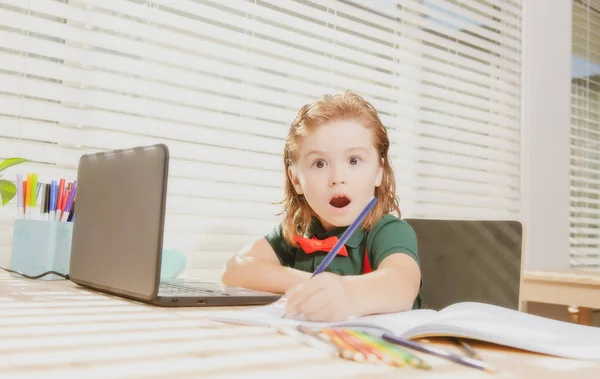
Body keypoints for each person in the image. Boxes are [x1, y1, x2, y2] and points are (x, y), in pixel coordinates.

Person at [221, 91, 421, 322]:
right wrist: (313, 286)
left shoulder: (389, 230)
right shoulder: (297, 231)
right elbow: (234, 270)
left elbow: (401, 284)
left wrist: (346, 294)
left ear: (378, 172)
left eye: (354, 160)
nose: (337, 177)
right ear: (296, 179)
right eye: (319, 163)